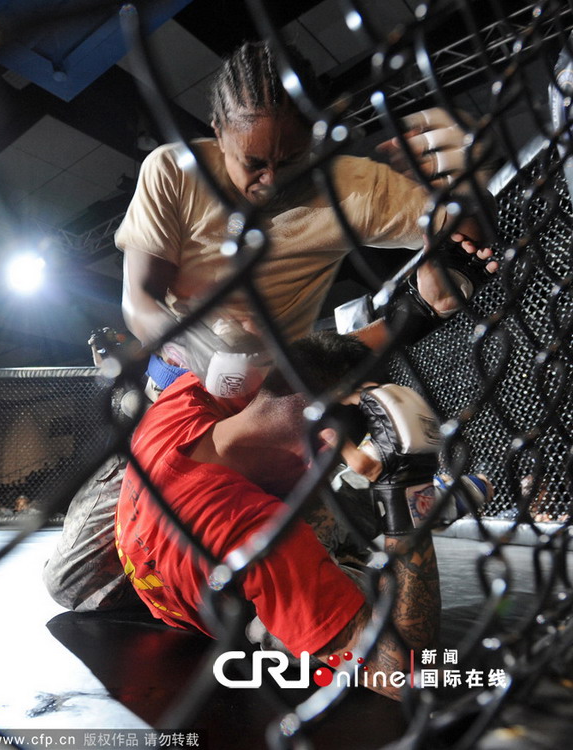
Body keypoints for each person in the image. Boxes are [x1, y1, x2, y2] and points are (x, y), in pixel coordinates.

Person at [43, 40, 497, 613]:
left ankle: (363, 515)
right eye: (253, 162)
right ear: (218, 131)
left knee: (247, 593)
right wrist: (204, 351)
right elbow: (139, 299)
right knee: (73, 583)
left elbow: (467, 239)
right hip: (173, 399)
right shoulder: (174, 171)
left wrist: (464, 187)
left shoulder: (352, 186)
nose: (271, 180)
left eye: (291, 159)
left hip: (272, 404)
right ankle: (342, 520)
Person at [115, 331, 441, 700]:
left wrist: (412, 317)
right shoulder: (262, 539)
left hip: (158, 583)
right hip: (232, 596)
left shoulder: (185, 395)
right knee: (366, 589)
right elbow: (402, 674)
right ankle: (401, 508)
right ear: (326, 445)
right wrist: (408, 494)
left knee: (331, 499)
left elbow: (312, 361)